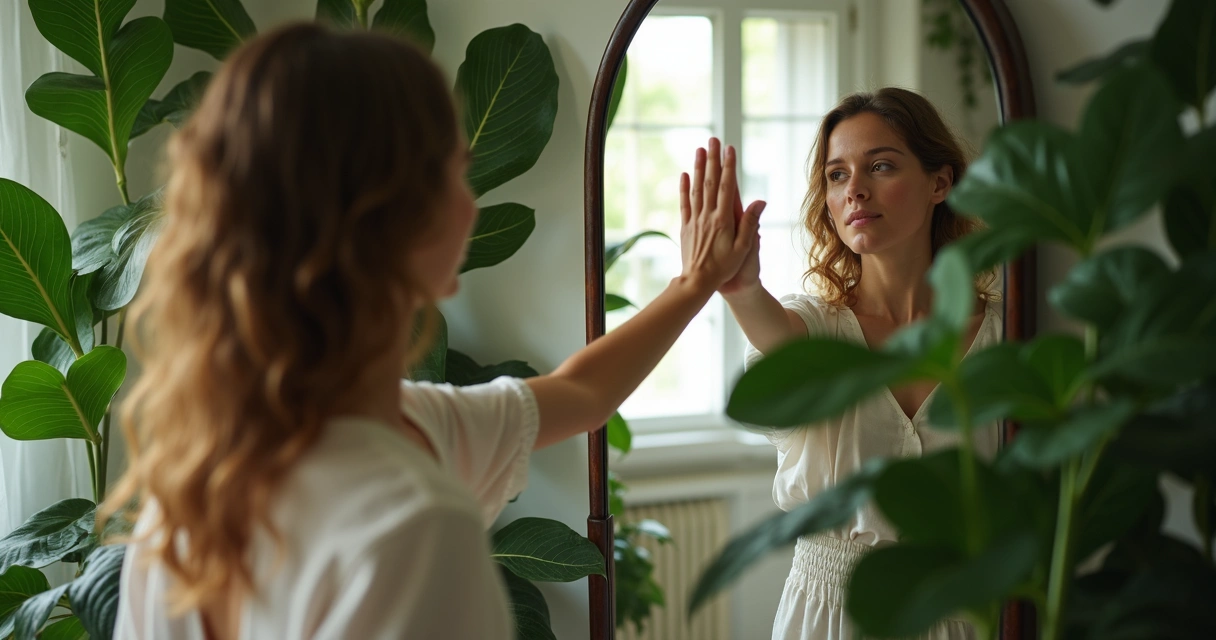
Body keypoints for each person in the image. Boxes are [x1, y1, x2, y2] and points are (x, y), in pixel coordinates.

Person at [103, 23, 757, 640]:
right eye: (454, 169)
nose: (471, 199)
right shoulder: (410, 526)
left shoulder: (180, 504)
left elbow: (580, 393)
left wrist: (693, 284)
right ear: (390, 219)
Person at [715, 88, 1001, 640]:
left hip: (973, 616)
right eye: (837, 175)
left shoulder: (1004, 334)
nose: (857, 191)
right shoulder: (818, 329)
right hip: (830, 618)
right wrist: (742, 289)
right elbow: (780, 344)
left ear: (940, 183)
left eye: (882, 166)